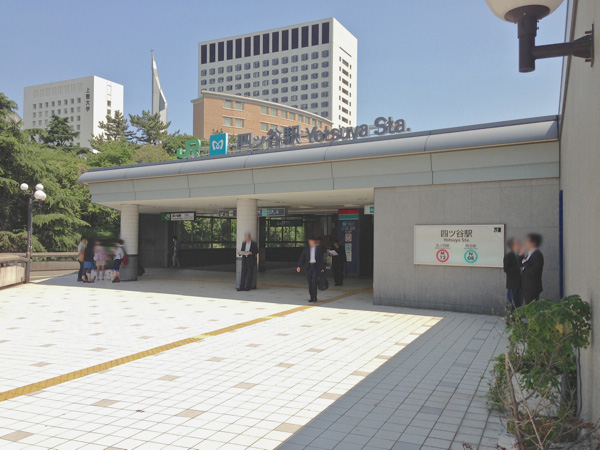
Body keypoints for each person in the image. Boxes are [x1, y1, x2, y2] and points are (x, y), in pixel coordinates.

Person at [297, 236, 325, 303]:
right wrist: (299, 266)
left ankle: (315, 297)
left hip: (315, 266)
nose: (311, 242)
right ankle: (311, 297)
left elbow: (321, 259)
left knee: (314, 282)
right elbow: (302, 257)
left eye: (312, 241)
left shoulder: (318, 249)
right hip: (309, 266)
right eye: (310, 241)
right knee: (310, 282)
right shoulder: (306, 249)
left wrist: (322, 268)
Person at [521, 233, 544, 304]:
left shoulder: (537, 255)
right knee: (528, 306)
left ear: (533, 243)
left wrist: (525, 263)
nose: (526, 243)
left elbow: (534, 271)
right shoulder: (529, 254)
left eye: (527, 241)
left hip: (532, 287)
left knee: (531, 307)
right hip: (526, 286)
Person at [503, 238, 522, 313]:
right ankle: (510, 317)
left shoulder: (521, 255)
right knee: (511, 302)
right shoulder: (508, 256)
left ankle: (517, 318)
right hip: (512, 284)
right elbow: (506, 269)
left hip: (521, 283)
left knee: (519, 302)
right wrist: (518, 268)